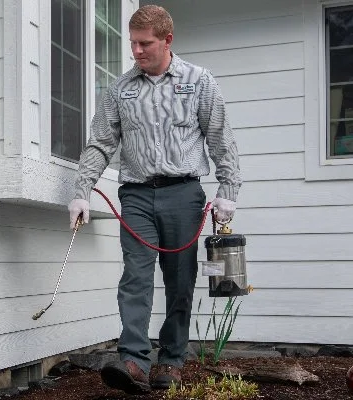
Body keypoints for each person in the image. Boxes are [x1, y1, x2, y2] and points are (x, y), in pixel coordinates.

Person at [67, 5, 242, 394]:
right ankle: (133, 360)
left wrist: (227, 192)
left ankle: (172, 361)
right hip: (137, 196)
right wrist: (81, 192)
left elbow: (221, 141)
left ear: (167, 40)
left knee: (180, 280)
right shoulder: (120, 89)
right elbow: (100, 144)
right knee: (135, 277)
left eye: (144, 43)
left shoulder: (199, 82)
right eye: (132, 43)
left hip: (184, 194)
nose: (137, 51)